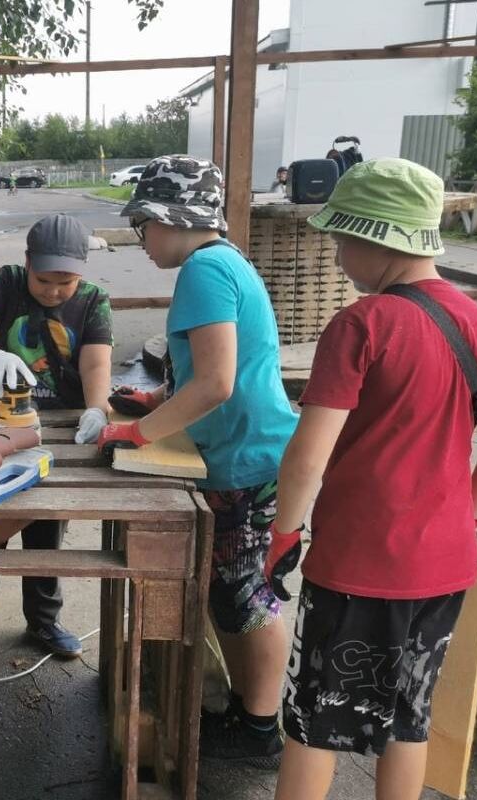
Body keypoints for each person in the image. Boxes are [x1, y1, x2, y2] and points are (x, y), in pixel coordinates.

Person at [269, 158, 477, 800]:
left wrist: (283, 532)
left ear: (373, 237)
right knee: (407, 719)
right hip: (443, 566)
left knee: (313, 725)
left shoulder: (362, 325)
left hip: (359, 566)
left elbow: (309, 452)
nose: (336, 256)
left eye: (339, 240)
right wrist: (467, 513)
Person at [97, 155, 297, 766]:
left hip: (246, 458)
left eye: (145, 227)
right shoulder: (222, 263)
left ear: (174, 218)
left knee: (247, 597)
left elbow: (215, 383)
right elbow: (204, 368)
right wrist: (156, 398)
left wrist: (138, 432)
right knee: (235, 595)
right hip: (242, 453)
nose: (143, 240)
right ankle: (249, 711)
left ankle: (260, 730)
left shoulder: (204, 271)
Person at [0, 213, 113, 661]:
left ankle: (44, 622)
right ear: (28, 262)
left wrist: (97, 407)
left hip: (57, 429)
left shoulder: (93, 302)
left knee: (45, 527)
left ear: (81, 272)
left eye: (65, 282)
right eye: (44, 280)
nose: (54, 291)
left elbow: (95, 364)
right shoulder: (7, 282)